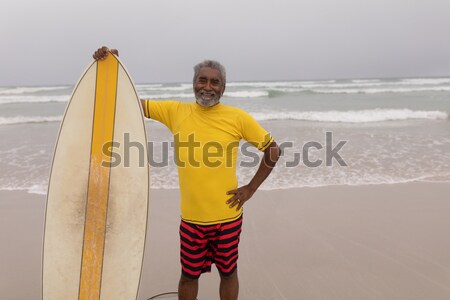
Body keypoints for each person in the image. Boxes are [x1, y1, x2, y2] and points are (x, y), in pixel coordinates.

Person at [93, 46, 280, 300]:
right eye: (202, 80)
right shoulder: (176, 112)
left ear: (223, 88)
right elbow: (127, 103)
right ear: (194, 84)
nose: (208, 86)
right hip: (192, 221)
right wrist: (110, 67)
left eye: (215, 82)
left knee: (228, 273)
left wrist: (250, 189)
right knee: (189, 276)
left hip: (227, 217)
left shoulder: (237, 118)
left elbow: (272, 150)